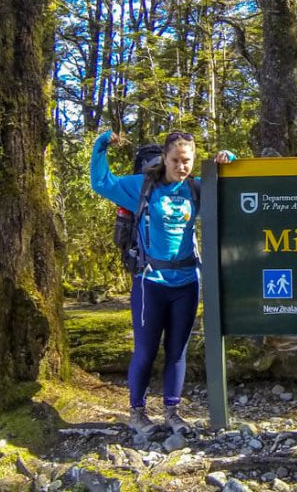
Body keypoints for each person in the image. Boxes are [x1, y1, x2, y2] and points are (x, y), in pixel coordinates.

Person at [89, 129, 235, 435]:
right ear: (165, 159)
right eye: (175, 160)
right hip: (150, 282)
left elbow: (232, 191)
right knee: (145, 350)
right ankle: (137, 413)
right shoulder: (142, 187)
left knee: (177, 351)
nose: (181, 166)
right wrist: (101, 144)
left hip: (186, 283)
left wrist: (229, 160)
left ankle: (172, 411)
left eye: (187, 160)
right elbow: (101, 182)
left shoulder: (196, 188)